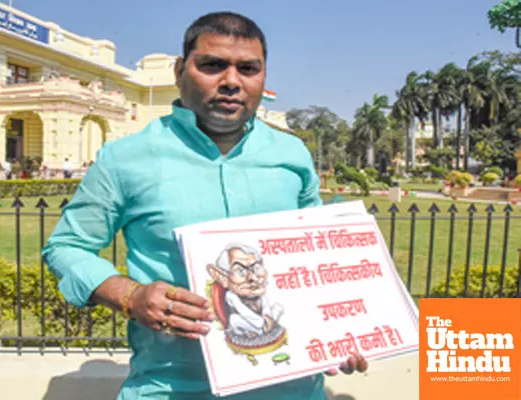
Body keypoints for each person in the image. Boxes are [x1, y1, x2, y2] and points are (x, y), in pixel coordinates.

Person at [42, 11, 367, 400]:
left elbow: (320, 263)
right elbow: (66, 247)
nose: (231, 82)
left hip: (290, 386)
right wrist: (129, 295)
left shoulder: (291, 154)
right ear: (180, 70)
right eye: (212, 65)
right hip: (172, 387)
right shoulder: (126, 158)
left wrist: (348, 327)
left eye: (248, 68)